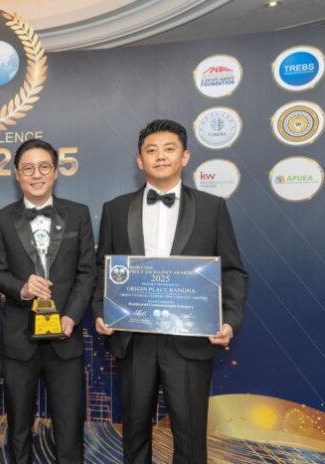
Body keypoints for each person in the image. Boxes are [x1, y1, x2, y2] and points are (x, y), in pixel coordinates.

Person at [93, 119, 248, 464]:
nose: (160, 156)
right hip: (134, 339)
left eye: (169, 149)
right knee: (134, 434)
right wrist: (101, 311)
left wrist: (229, 320)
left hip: (190, 340)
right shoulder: (115, 209)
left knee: (190, 438)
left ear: (185, 157)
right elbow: (102, 268)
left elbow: (233, 271)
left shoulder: (212, 207)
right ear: (140, 161)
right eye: (151, 150)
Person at [0, 139, 95, 464]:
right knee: (19, 428)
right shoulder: (1, 219)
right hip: (19, 340)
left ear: (56, 172)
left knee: (69, 427)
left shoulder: (78, 214)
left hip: (65, 337)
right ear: (17, 175)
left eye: (44, 167)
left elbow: (87, 272)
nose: (36, 175)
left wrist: (71, 316)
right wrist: (22, 288)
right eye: (28, 168)